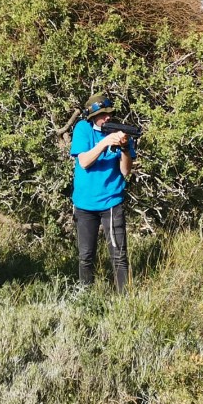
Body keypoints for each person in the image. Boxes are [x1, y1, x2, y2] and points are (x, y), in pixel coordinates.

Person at [70, 93, 136, 292]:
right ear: (92, 116)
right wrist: (105, 142)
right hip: (84, 204)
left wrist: (124, 148)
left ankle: (124, 299)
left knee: (119, 256)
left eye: (109, 114)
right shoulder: (83, 128)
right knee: (86, 256)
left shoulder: (120, 133)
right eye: (102, 114)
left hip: (111, 201)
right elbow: (84, 161)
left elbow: (125, 171)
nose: (107, 118)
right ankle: (85, 296)